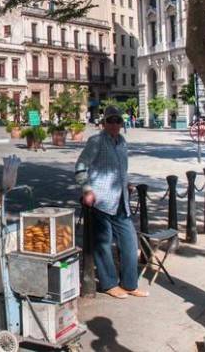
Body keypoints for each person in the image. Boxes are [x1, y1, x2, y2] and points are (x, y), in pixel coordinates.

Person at [75, 105, 149, 299]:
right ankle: (109, 284)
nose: (115, 124)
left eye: (118, 120)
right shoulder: (96, 141)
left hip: (121, 201)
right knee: (103, 245)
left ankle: (129, 284)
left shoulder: (122, 142)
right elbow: (81, 166)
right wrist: (87, 190)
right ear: (104, 122)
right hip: (101, 201)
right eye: (111, 120)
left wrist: (127, 183)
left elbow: (120, 170)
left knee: (130, 243)